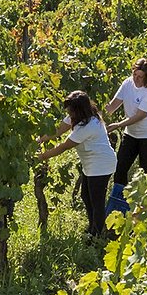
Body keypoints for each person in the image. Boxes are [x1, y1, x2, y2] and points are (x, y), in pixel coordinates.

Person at [38, 90, 117, 239]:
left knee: (96, 201)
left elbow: (64, 146)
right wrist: (40, 140)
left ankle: (97, 236)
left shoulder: (89, 125)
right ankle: (93, 228)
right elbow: (58, 130)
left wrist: (41, 157)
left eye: (71, 110)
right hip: (91, 163)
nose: (69, 114)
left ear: (78, 110)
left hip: (101, 165)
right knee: (86, 196)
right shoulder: (79, 115)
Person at [105, 58, 147, 190]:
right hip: (132, 134)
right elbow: (113, 105)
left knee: (146, 173)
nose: (136, 79)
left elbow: (140, 115)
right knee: (120, 167)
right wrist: (98, 115)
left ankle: (145, 204)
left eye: (140, 77)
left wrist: (118, 125)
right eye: (134, 74)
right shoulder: (128, 83)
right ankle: (120, 198)